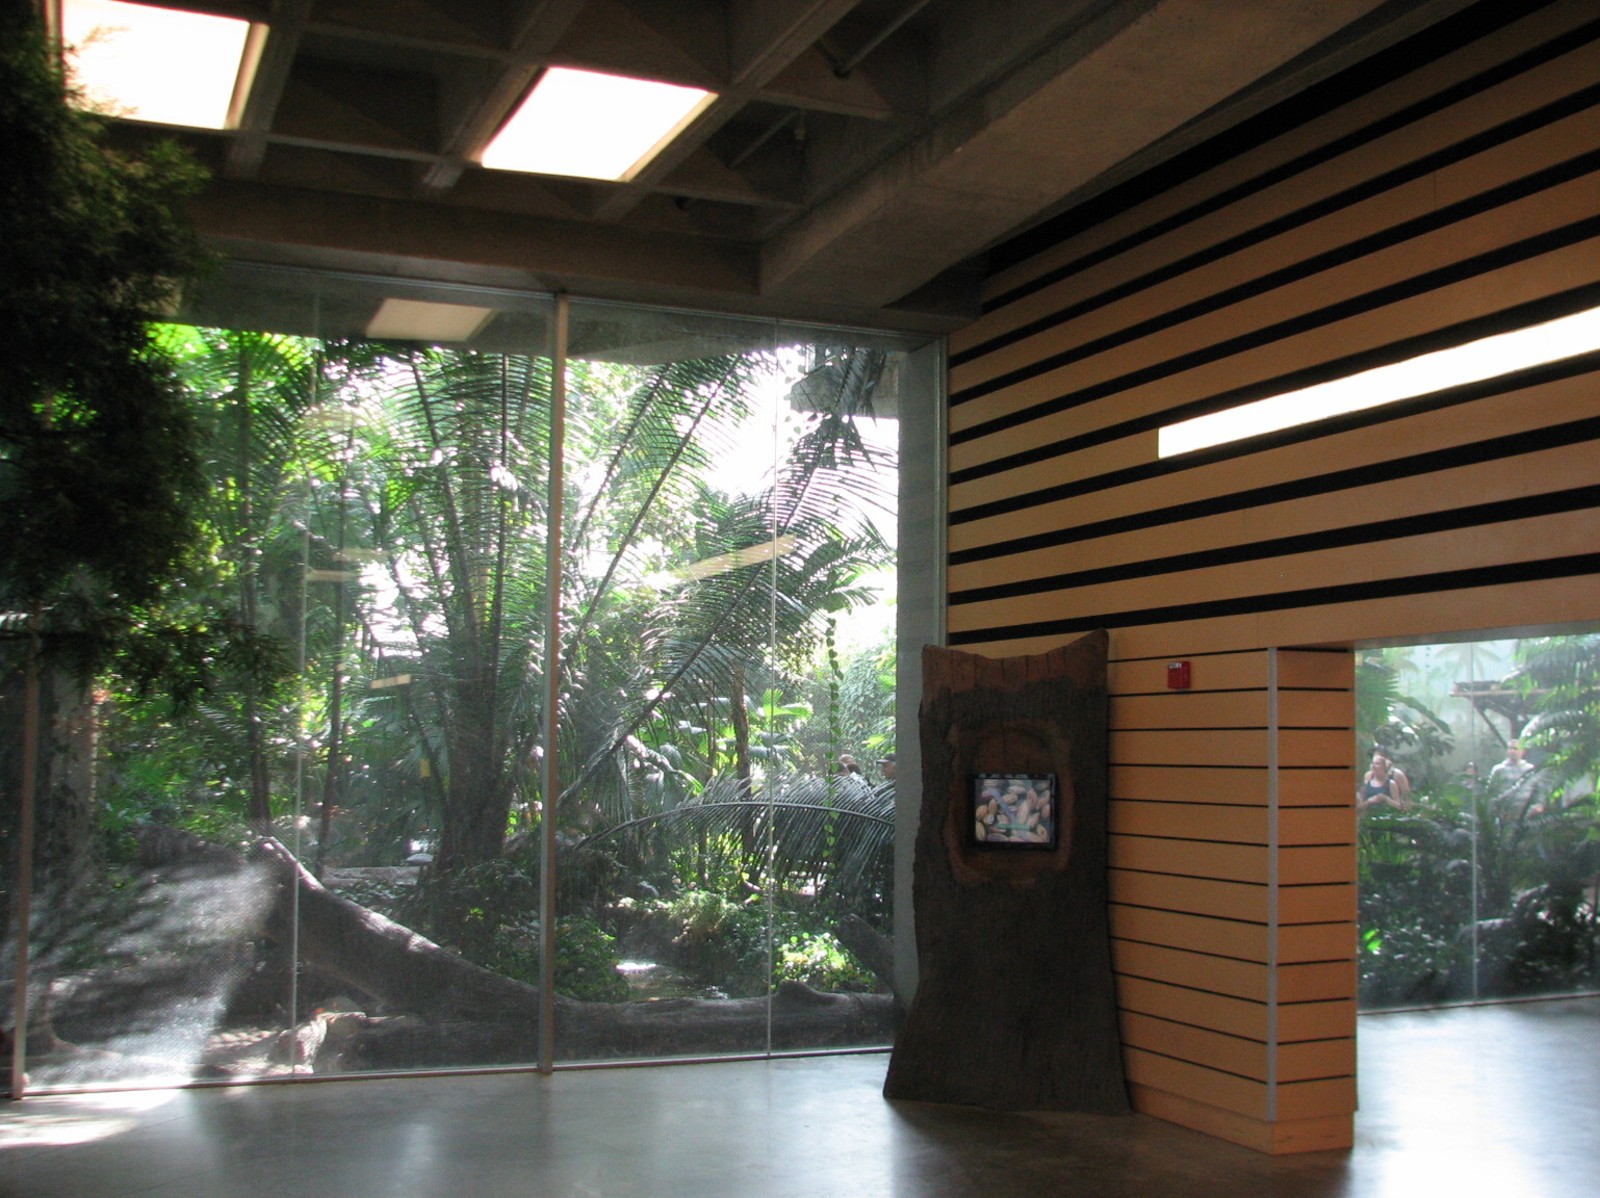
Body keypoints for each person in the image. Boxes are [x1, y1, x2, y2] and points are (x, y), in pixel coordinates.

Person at [1487, 739, 1540, 816]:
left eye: (1515, 749)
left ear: (1522, 751)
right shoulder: (1499, 770)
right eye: (1510, 748)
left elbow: (1536, 789)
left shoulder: (1530, 769)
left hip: (1525, 810)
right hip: (1504, 810)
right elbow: (1490, 791)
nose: (1512, 751)